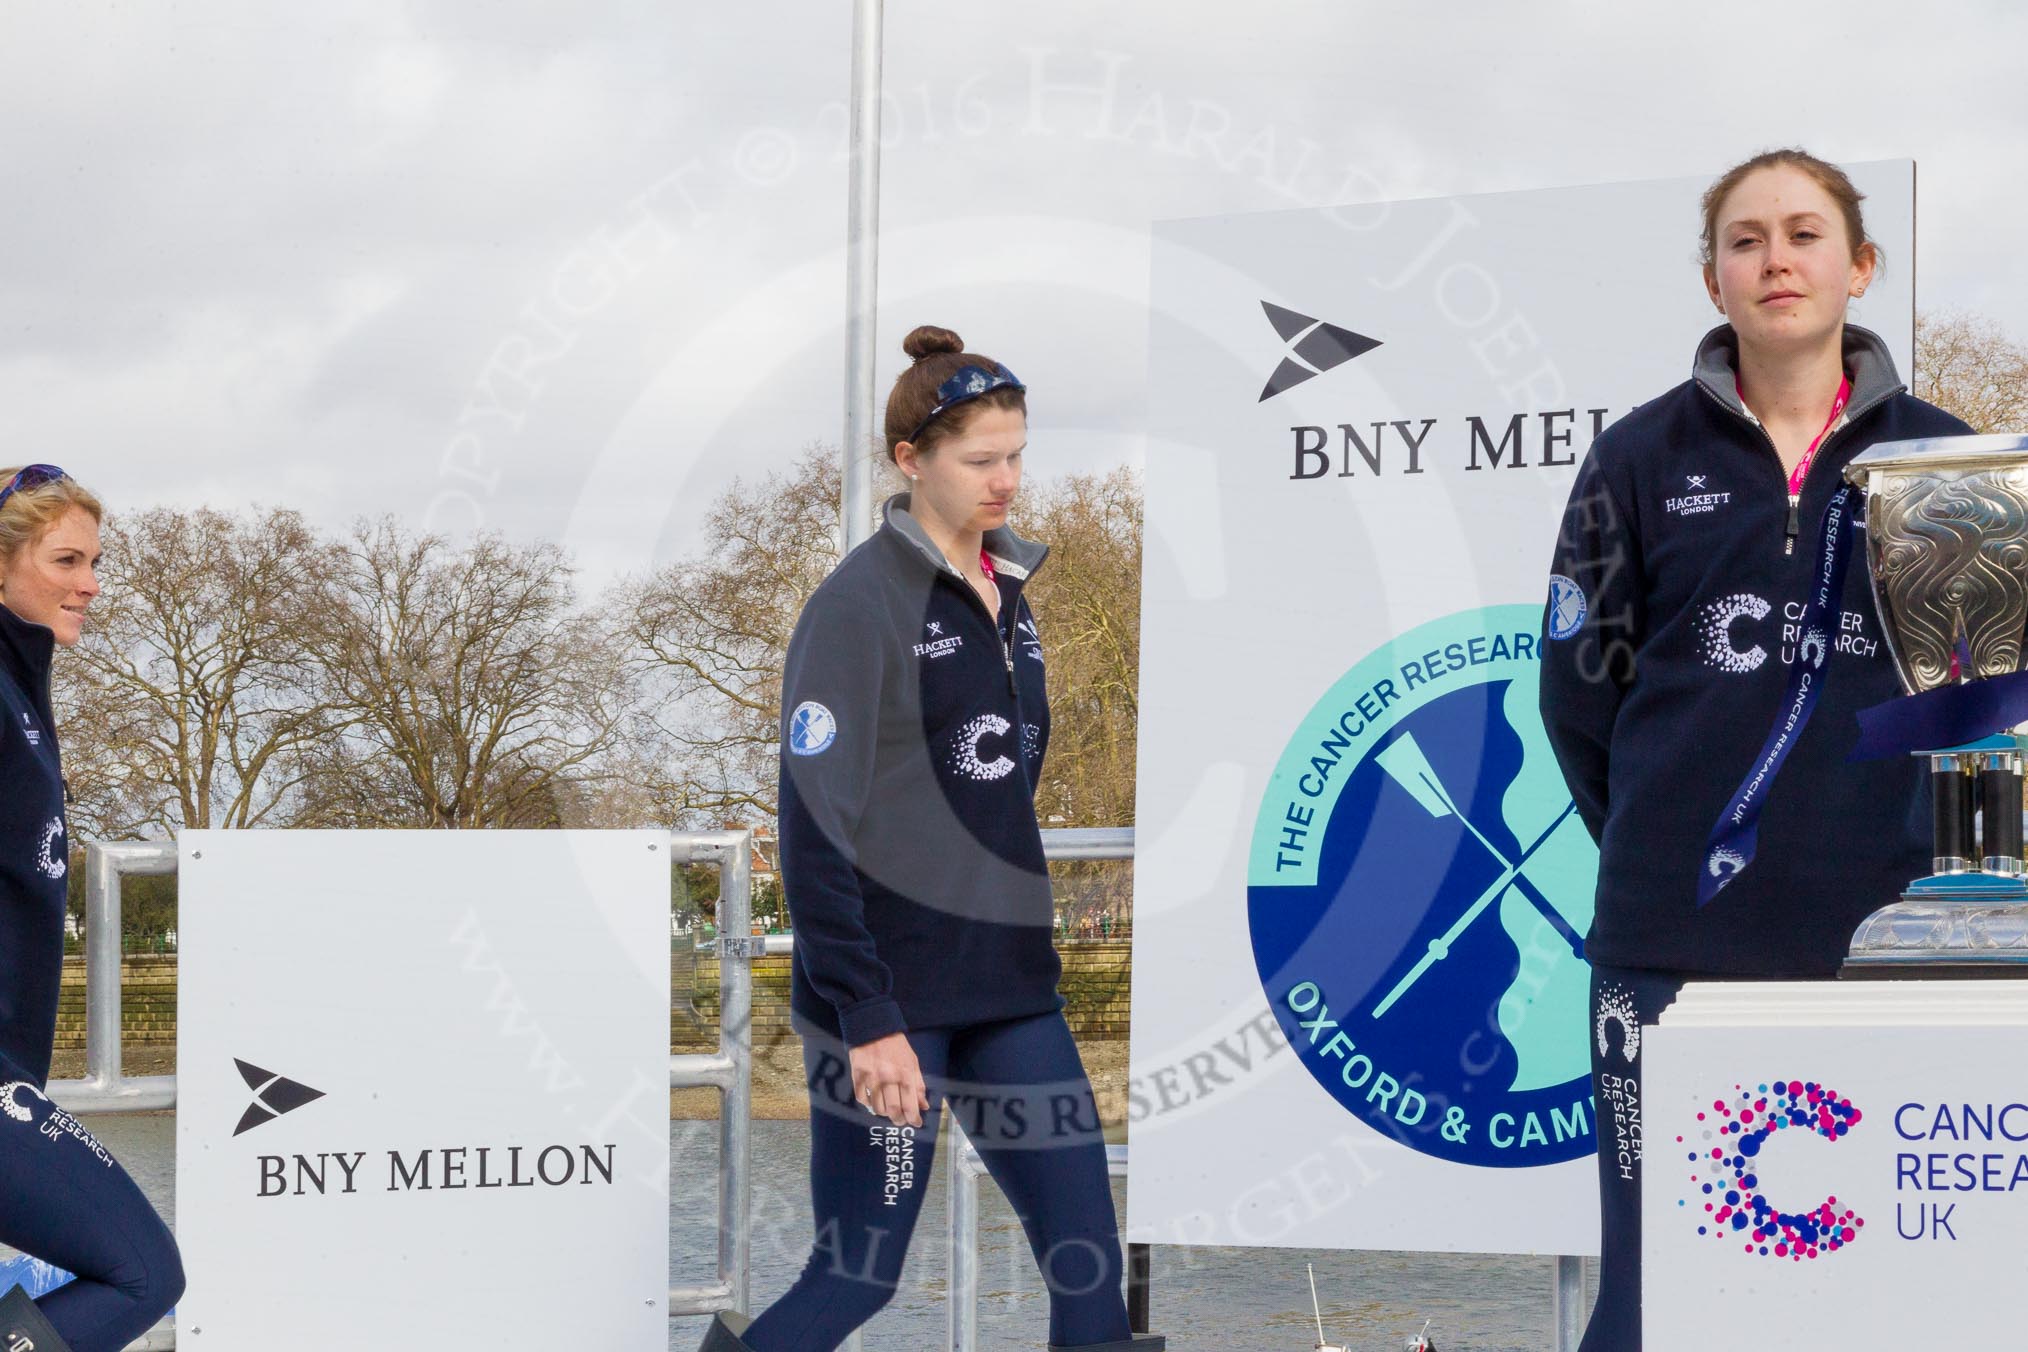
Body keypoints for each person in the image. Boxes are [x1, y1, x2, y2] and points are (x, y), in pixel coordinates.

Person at [1540, 150, 1973, 1351]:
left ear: (1861, 265)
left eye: (1803, 233)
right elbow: (1579, 697)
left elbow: (1982, 706)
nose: (1775, 258)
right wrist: (1665, 835)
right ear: (1713, 277)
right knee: (1651, 1291)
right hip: (1665, 944)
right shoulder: (1636, 457)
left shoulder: (1947, 460)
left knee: (1867, 1286)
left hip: (1884, 942)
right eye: (1745, 240)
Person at [697, 328, 1160, 1352]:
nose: (1008, 480)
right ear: (911, 461)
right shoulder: (857, 605)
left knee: (1089, 1267)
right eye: (981, 459)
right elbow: (812, 826)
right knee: (856, 1276)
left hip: (1009, 989)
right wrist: (867, 1015)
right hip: (889, 1002)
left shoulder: (1014, 596)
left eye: (1018, 454)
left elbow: (993, 795)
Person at [0, 465, 185, 1352]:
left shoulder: (19, 683)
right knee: (143, 1271)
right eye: (68, 560)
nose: (91, 584)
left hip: (11, 1069)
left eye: (95, 561)